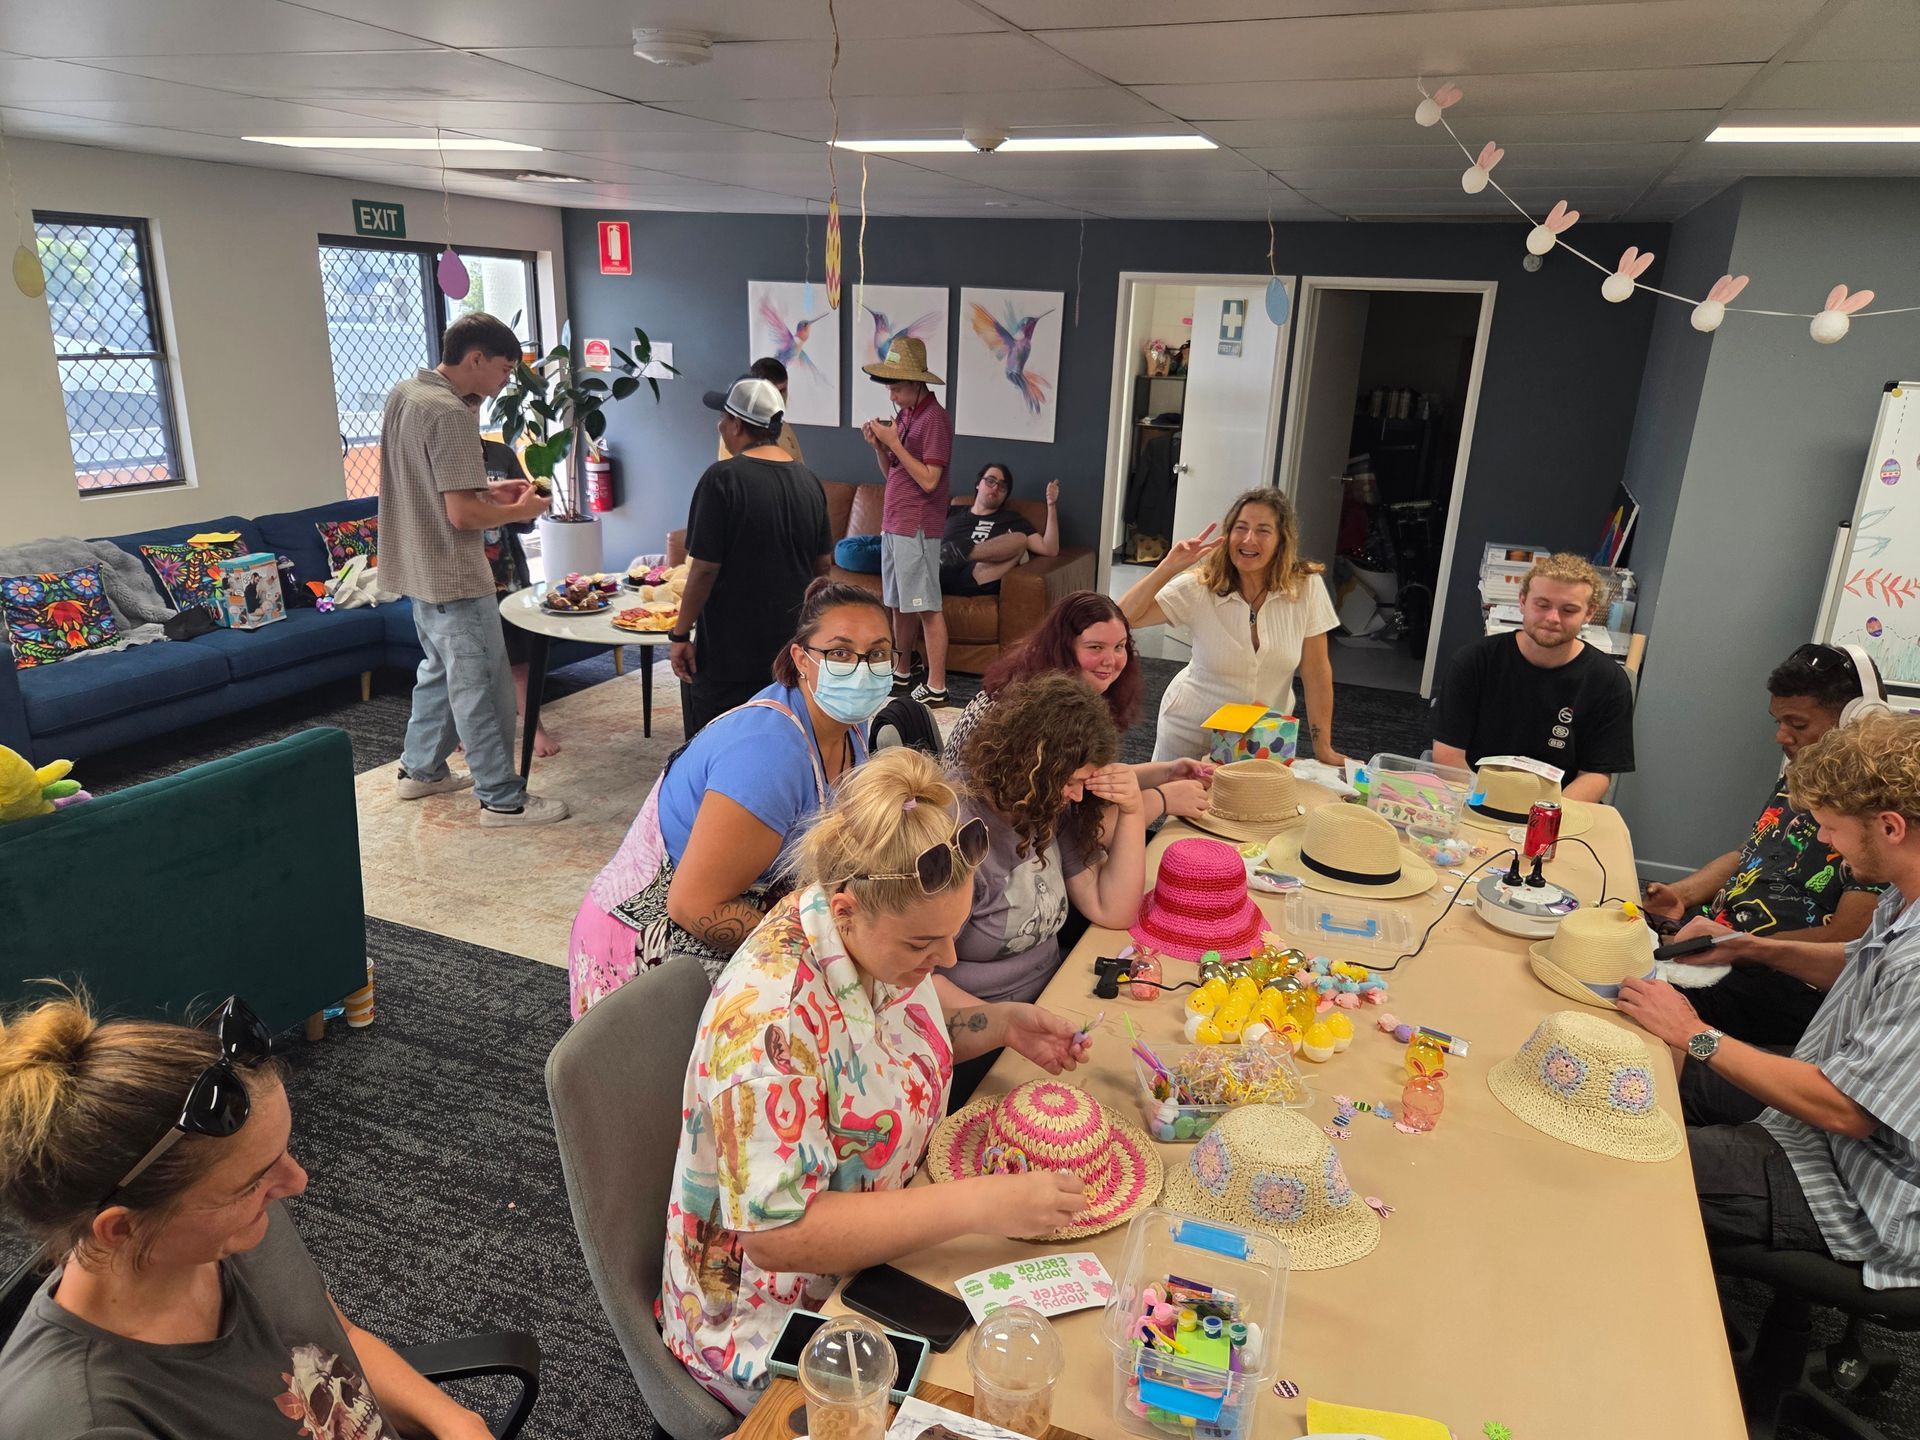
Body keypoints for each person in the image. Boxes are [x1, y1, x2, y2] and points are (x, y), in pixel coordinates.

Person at [659, 748, 1093, 1412]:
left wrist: (998, 1024)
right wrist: (983, 1205)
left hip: (876, 1256)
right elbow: (778, 1238)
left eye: (951, 935)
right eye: (924, 945)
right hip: (773, 1325)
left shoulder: (864, 934)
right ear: (847, 908)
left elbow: (884, 1044)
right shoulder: (769, 1026)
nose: (946, 959)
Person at [0, 990, 495, 1440]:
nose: (296, 1182)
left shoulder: (235, 1228)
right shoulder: (88, 1423)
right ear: (121, 1227)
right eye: (255, 1179)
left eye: (282, 1153)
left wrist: (455, 1422)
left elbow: (332, 1339)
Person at [1617, 712, 1920, 1290]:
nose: (1825, 843)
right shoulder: (1905, 894)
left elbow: (1846, 1113)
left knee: (1621, 1158)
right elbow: (1861, 961)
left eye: (1830, 827)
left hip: (1862, 1193)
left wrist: (1695, 1034)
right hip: (1817, 1115)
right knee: (1636, 1063)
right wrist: (1753, 949)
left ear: (1889, 827)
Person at [569, 582, 893, 1015]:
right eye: (840, 653)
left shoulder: (849, 729)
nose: (862, 670)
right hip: (652, 958)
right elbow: (694, 906)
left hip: (731, 916)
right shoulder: (770, 755)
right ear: (801, 659)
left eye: (877, 654)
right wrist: (820, 957)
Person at [1642, 643, 1886, 1048]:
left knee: (1627, 995)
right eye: (1778, 721)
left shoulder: (1875, 818)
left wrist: (1739, 948)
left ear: (1856, 720)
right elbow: (1752, 854)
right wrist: (1681, 896)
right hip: (1720, 941)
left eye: (1797, 723)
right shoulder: (1801, 775)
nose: (1780, 736)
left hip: (1779, 979)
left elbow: (1849, 942)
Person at [380, 312, 565, 826]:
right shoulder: (451, 413)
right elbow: (462, 517)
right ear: (476, 358)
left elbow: (440, 491)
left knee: (439, 672)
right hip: (455, 571)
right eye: (505, 368)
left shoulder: (407, 394)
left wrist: (492, 494)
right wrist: (520, 512)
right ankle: (502, 799)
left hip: (419, 565)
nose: (508, 379)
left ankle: (421, 770)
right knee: (481, 682)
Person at [940, 671, 1148, 1005]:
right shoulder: (955, 828)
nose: (1078, 796)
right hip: (982, 1017)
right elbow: (913, 979)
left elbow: (1113, 910)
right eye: (1072, 781)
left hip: (1051, 992)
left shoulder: (1042, 804)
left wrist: (1133, 812)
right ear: (1033, 767)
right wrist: (1009, 1025)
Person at [1118, 487, 1345, 768]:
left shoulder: (1306, 587)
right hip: (1193, 731)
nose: (1249, 539)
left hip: (1261, 738)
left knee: (1250, 810)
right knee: (1180, 809)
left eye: (1263, 530)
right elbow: (1120, 618)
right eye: (1241, 527)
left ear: (1281, 541)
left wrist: (1324, 747)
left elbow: (1317, 671)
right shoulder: (1201, 586)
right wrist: (1167, 567)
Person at [946, 590, 1214, 824]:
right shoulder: (1038, 709)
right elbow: (1074, 830)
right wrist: (1161, 799)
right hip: (981, 835)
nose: (1111, 660)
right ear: (1064, 648)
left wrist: (1166, 772)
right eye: (1095, 647)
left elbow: (1089, 780)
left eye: (1120, 646)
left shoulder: (1067, 691)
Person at [671, 376, 833, 737]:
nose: (719, 426)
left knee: (718, 745)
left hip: (729, 655)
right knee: (781, 740)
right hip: (791, 651)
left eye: (724, 418)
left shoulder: (721, 479)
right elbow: (822, 567)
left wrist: (679, 634)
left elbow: (704, 571)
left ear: (738, 425)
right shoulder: (809, 481)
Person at [1431, 552, 1634, 803]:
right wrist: (1487, 804)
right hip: (1476, 798)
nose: (1552, 618)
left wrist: (1544, 818)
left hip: (1559, 809)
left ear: (1589, 613)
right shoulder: (1474, 662)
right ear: (1523, 601)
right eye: (1542, 604)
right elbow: (1448, 755)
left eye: (1569, 610)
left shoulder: (1609, 682)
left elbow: (1595, 774)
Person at [860, 336, 953, 708]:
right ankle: (902, 671)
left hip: (917, 524)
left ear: (917, 382)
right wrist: (880, 446)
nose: (891, 394)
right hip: (895, 520)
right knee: (899, 603)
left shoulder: (935, 419)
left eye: (896, 387)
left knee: (927, 606)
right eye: (889, 387)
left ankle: (937, 686)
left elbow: (930, 479)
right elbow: (893, 473)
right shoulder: (907, 415)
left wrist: (894, 443)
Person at [462, 391, 556, 758]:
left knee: (519, 657)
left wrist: (526, 505)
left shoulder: (501, 455)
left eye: (473, 408)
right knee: (470, 662)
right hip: (466, 577)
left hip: (508, 574)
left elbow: (525, 519)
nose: (468, 415)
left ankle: (534, 726)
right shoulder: (445, 459)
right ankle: (467, 730)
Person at [939, 462, 1059, 598]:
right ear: (978, 484)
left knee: (1020, 538)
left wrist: (1051, 505)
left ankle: (957, 552)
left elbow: (1050, 549)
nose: (995, 487)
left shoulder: (1011, 519)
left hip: (975, 576)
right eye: (990, 481)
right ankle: (946, 556)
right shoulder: (952, 512)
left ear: (1005, 495)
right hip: (939, 572)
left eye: (1002, 486)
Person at [715, 356, 804, 463]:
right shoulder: (735, 433)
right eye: (773, 393)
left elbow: (799, 467)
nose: (779, 398)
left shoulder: (784, 428)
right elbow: (732, 474)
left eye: (782, 391)